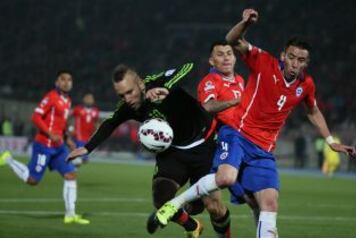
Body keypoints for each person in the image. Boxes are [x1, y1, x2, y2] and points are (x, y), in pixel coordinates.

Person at [154, 8, 356, 238]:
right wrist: (245, 23)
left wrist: (331, 141)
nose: (294, 63)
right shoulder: (263, 62)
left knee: (267, 202)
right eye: (291, 57)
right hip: (237, 134)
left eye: (300, 60)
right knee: (226, 177)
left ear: (306, 63)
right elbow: (232, 40)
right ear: (283, 56)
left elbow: (313, 110)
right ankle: (174, 203)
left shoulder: (306, 85)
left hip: (263, 150)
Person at [66, 63, 231, 238]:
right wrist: (87, 148)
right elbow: (111, 122)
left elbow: (188, 67)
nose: (127, 98)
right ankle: (192, 226)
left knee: (213, 208)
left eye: (130, 92)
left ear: (139, 83)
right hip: (173, 153)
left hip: (203, 145)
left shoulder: (155, 81)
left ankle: (200, 212)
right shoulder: (128, 106)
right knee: (161, 198)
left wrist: (165, 87)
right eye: (121, 95)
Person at [0, 71, 89, 225]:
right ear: (57, 82)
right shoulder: (51, 97)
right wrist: (49, 133)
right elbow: (35, 116)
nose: (66, 82)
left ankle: (70, 215)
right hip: (44, 146)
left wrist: (67, 138)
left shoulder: (67, 101)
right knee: (32, 180)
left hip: (59, 147)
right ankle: (8, 159)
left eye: (69, 79)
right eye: (63, 79)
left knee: (71, 176)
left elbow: (61, 124)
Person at [198, 40, 260, 223]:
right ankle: (185, 205)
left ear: (235, 57)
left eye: (229, 53)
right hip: (218, 145)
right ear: (211, 61)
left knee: (255, 199)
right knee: (212, 207)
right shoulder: (210, 81)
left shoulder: (240, 80)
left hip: (241, 143)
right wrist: (234, 101)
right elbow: (208, 106)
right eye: (220, 54)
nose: (226, 58)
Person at [71, 93, 99, 165]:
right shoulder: (78, 109)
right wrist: (70, 128)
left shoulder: (95, 111)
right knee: (79, 160)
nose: (89, 100)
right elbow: (70, 118)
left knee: (85, 160)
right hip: (78, 137)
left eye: (91, 98)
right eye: (87, 98)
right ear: (84, 99)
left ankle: (72, 167)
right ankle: (70, 170)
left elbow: (96, 122)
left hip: (88, 138)